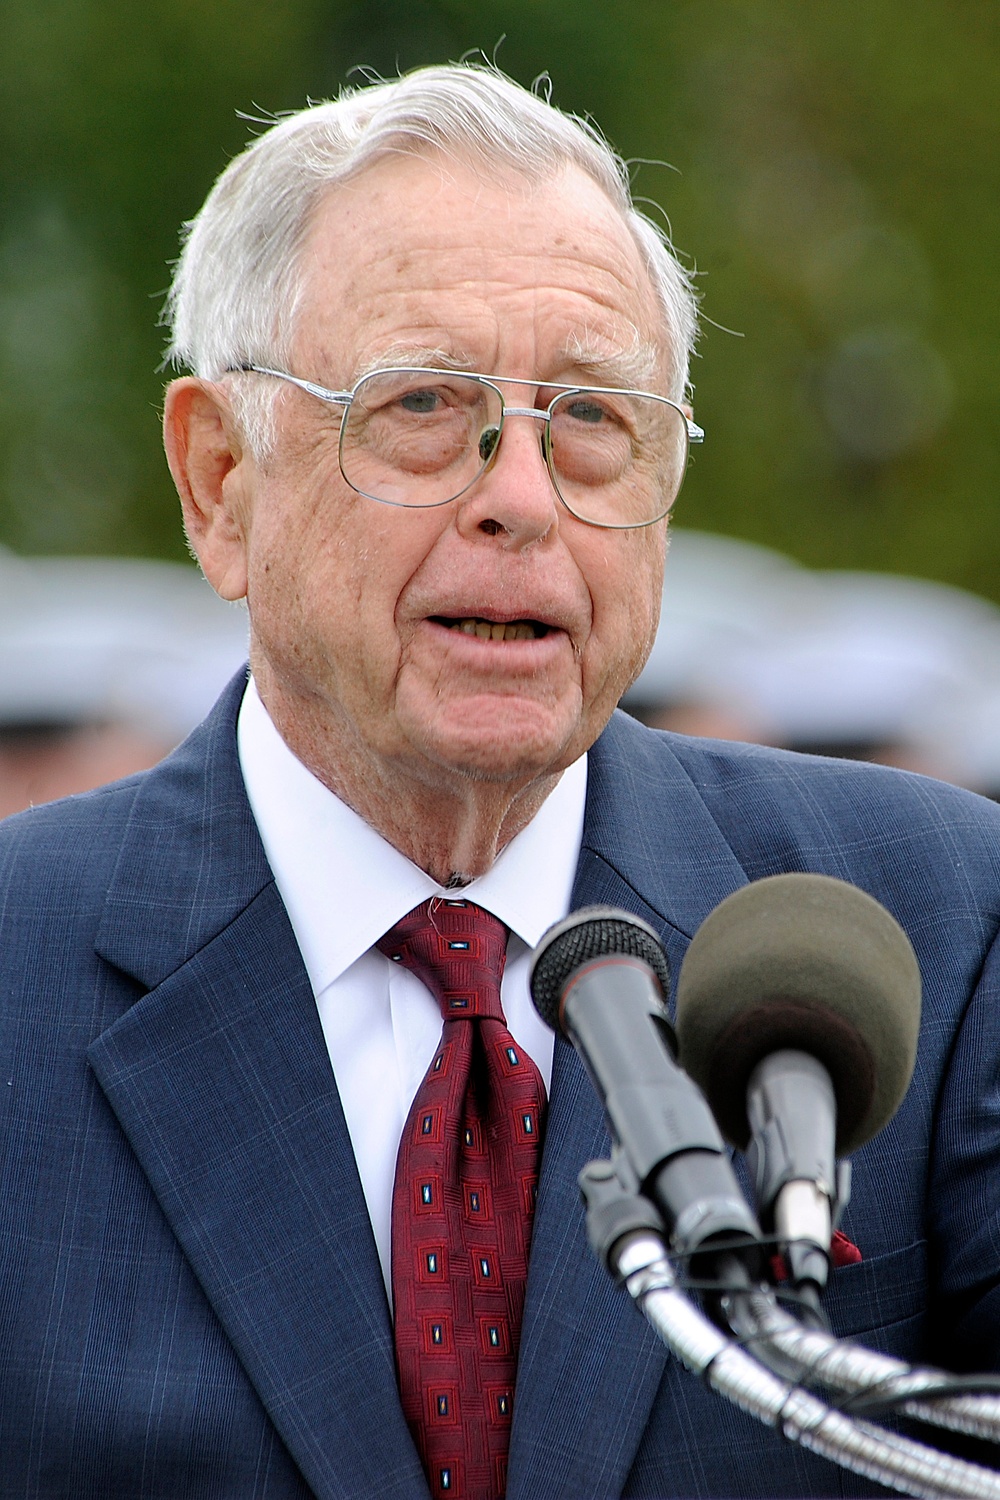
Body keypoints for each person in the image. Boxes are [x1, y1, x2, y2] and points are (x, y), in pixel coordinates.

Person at [0, 62, 998, 1500]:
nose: (522, 495)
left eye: (593, 419)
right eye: (423, 404)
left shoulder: (933, 933)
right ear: (222, 481)